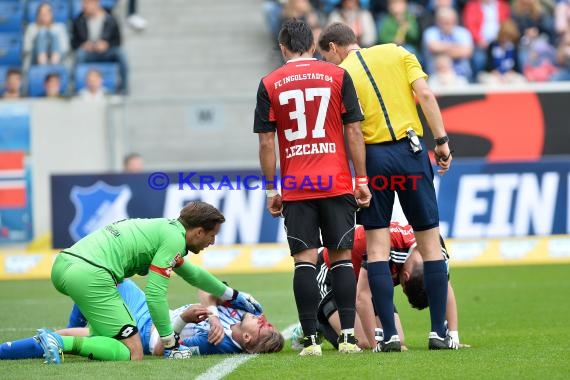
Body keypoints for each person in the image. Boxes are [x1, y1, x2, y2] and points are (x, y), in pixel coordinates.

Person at [318, 22, 456, 352]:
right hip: (410, 152)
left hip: (374, 158)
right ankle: (439, 333)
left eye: (329, 56)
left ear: (335, 48)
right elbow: (424, 94)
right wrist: (441, 141)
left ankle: (390, 337)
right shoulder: (397, 52)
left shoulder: (339, 76)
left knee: (377, 251)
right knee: (430, 247)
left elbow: (346, 128)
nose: (331, 62)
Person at [253, 18, 371, 356]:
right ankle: (348, 337)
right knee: (341, 260)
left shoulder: (270, 82)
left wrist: (270, 190)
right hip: (335, 181)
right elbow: (353, 131)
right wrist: (361, 179)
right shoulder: (338, 75)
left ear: (282, 47)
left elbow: (266, 142)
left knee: (304, 262)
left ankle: (312, 341)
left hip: (297, 185)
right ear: (312, 43)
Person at [35, 201, 263, 364]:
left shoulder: (169, 230)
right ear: (199, 232)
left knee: (98, 331)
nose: (212, 242)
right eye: (212, 236)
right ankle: (59, 341)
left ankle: (44, 343)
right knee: (132, 351)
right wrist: (170, 344)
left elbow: (192, 274)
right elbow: (154, 295)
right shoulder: (174, 240)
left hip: (67, 266)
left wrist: (232, 294)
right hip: (92, 275)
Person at [0, 280, 282, 360]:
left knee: (66, 336)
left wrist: (184, 319)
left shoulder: (215, 344)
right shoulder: (238, 315)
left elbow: (161, 350)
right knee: (105, 278)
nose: (262, 319)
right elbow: (206, 288)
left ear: (246, 339)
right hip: (145, 314)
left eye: (263, 326)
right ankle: (81, 326)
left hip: (144, 333)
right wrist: (212, 315)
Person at [291, 223, 465, 351]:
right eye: (403, 288)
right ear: (405, 276)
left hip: (366, 284)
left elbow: (444, 287)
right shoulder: (385, 244)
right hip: (329, 275)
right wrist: (377, 346)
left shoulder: (434, 245)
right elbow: (362, 297)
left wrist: (453, 337)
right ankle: (317, 322)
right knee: (364, 341)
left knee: (399, 339)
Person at [71, 0, 129, 93]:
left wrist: (107, 44)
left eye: (87, 3)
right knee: (79, 55)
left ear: (95, 3)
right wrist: (83, 45)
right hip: (88, 53)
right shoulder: (78, 20)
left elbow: (117, 41)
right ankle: (74, 87)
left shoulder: (110, 19)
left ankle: (123, 87)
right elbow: (73, 43)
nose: (84, 6)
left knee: (121, 54)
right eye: (83, 4)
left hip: (106, 52)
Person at [23, 2, 70, 66]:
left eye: (47, 13)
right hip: (35, 59)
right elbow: (26, 48)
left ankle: (54, 63)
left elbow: (65, 48)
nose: (44, 15)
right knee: (42, 33)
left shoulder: (60, 27)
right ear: (38, 15)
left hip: (58, 58)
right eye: (42, 13)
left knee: (54, 34)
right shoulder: (32, 28)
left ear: (52, 14)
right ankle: (43, 63)